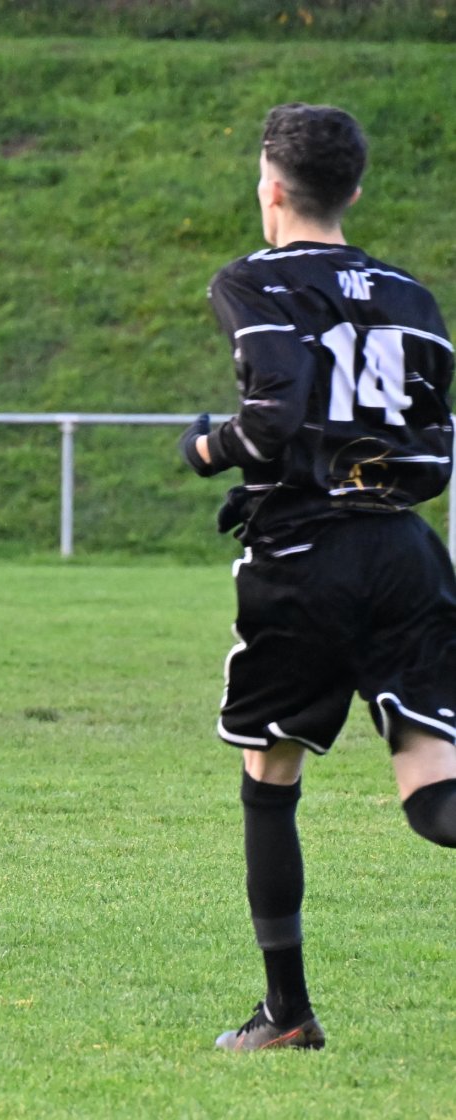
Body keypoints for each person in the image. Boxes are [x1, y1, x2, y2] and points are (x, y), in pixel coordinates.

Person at [179, 102, 456, 1051]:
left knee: (270, 773)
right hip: (406, 553)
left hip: (305, 557)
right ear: (356, 190)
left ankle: (288, 1015)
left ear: (271, 188)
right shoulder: (412, 296)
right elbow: (434, 450)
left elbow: (276, 406)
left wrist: (211, 449)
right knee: (435, 801)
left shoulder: (251, 281)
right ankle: (284, 1018)